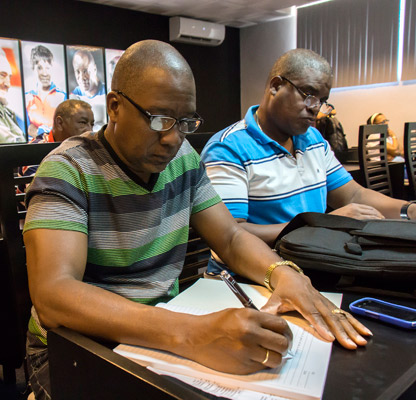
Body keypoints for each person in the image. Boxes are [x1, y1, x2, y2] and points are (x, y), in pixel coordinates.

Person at [23, 40, 370, 400]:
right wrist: (191, 334)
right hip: (75, 348)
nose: (173, 138)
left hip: (156, 334)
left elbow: (231, 238)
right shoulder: (68, 169)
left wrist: (282, 273)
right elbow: (54, 293)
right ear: (115, 107)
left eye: (185, 122)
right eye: (159, 119)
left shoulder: (182, 159)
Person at [200, 49, 416, 259]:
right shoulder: (229, 148)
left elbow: (353, 195)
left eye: (322, 101)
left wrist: (408, 210)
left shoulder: (313, 139)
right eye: (309, 95)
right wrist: (323, 224)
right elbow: (231, 234)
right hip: (253, 273)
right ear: (276, 86)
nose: (315, 109)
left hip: (313, 258)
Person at [25, 45, 67, 139]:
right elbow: (27, 131)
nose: (44, 73)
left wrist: (39, 131)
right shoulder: (27, 97)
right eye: (39, 68)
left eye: (47, 68)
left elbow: (64, 130)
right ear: (33, 69)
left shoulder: (62, 96)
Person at [69, 49, 106, 131]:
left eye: (85, 71)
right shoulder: (73, 96)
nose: (82, 77)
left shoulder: (107, 92)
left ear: (94, 69)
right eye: (77, 72)